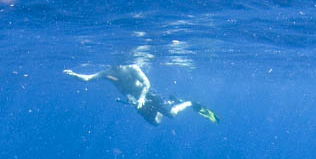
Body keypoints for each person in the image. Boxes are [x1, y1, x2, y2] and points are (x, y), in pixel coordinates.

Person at [63, 64, 219, 126]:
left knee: (171, 114)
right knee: (157, 122)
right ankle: (170, 102)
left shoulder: (133, 68)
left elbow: (147, 84)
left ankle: (190, 103)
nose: (117, 68)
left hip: (148, 95)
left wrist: (142, 97)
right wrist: (74, 74)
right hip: (136, 102)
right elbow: (88, 78)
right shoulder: (108, 73)